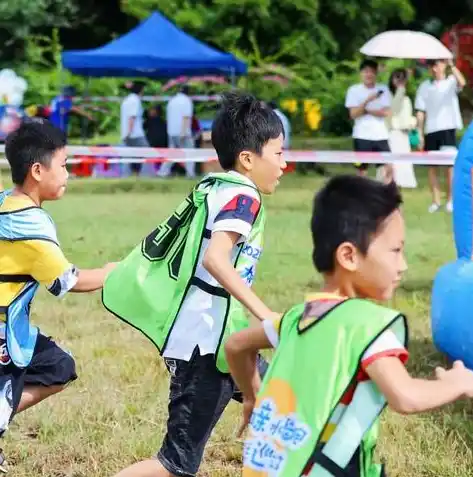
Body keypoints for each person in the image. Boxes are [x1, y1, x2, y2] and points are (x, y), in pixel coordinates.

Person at [225, 175, 473, 477]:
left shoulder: (296, 317)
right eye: (395, 251)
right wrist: (458, 383)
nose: (403, 265)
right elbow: (406, 397)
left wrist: (252, 397)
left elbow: (236, 345)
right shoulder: (368, 326)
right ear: (349, 256)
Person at [102, 91, 286, 477]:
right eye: (279, 154)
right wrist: (265, 313)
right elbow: (216, 259)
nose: (285, 164)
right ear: (249, 159)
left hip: (222, 340)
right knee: (175, 464)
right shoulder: (244, 196)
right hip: (207, 346)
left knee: (284, 400)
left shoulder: (216, 186)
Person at [0, 120, 116, 472]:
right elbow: (68, 281)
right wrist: (113, 271)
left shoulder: (6, 201)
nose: (68, 174)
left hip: (14, 326)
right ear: (37, 170)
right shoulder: (31, 224)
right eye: (64, 166)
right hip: (5, 335)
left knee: (58, 366)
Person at [415, 59, 466, 213]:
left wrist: (452, 65)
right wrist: (419, 132)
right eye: (431, 66)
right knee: (432, 167)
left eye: (437, 65)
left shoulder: (451, 82)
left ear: (443, 66)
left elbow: (462, 83)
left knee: (449, 167)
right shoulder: (424, 86)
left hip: (448, 128)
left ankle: (450, 200)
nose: (434, 69)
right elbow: (420, 111)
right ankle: (436, 201)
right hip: (431, 130)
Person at [345, 59, 392, 180]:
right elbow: (353, 114)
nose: (368, 74)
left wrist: (367, 111)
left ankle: (383, 195)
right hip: (361, 135)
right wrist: (368, 101)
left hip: (381, 135)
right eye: (365, 71)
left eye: (372, 71)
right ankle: (361, 196)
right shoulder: (354, 90)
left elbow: (387, 112)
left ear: (376, 74)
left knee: (387, 168)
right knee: (361, 170)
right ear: (361, 73)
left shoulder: (383, 89)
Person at [386, 68, 418, 188]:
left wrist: (412, 123)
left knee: (403, 165)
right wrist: (400, 89)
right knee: (393, 167)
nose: (399, 80)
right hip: (393, 135)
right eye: (397, 77)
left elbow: (407, 117)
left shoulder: (407, 99)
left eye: (402, 77)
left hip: (404, 136)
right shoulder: (388, 96)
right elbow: (393, 111)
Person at [158, 86, 196, 178]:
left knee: (172, 153)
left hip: (171, 132)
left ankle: (162, 172)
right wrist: (183, 132)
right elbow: (186, 117)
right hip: (183, 132)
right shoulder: (187, 101)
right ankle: (190, 174)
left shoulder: (172, 101)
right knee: (190, 153)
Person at [120, 81, 149, 176]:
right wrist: (129, 132)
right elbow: (132, 117)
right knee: (148, 153)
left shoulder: (127, 100)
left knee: (132, 155)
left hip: (128, 133)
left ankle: (133, 174)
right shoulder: (135, 100)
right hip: (135, 134)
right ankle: (144, 175)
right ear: (140, 91)